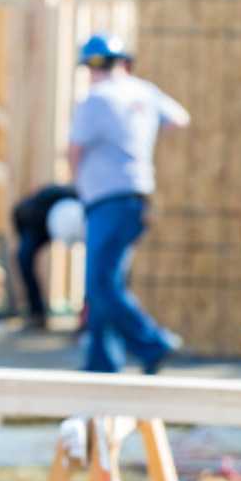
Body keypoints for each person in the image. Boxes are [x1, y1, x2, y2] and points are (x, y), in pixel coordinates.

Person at [69, 33, 190, 373]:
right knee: (107, 281)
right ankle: (102, 362)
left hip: (105, 199)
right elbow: (180, 119)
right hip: (136, 197)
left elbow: (75, 149)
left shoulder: (95, 100)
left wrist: (79, 185)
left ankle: (151, 342)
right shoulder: (143, 92)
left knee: (100, 284)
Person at [11, 184, 81, 328]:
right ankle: (36, 312)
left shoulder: (71, 198)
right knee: (23, 259)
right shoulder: (28, 214)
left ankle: (90, 313)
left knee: (96, 262)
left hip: (64, 216)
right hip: (37, 224)